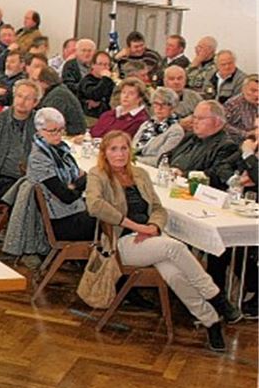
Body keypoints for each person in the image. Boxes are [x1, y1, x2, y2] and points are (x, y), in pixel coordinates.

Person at [84, 131, 241, 351]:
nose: (120, 154)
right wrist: (138, 227)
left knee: (175, 275)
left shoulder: (140, 174)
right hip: (124, 242)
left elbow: (158, 208)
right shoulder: (97, 175)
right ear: (105, 153)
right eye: (113, 149)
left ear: (130, 150)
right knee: (175, 246)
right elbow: (95, 206)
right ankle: (216, 297)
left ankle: (211, 321)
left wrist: (154, 227)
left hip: (152, 237)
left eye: (124, 148)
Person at [28, 108, 93, 241]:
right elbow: (66, 196)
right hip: (59, 220)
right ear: (39, 131)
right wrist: (78, 183)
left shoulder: (61, 150)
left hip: (72, 209)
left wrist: (73, 186)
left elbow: (76, 183)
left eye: (61, 130)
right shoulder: (39, 157)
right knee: (111, 219)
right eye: (52, 131)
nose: (58, 135)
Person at [167, 100, 238, 189]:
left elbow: (215, 176)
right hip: (171, 181)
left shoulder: (226, 146)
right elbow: (169, 154)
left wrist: (184, 174)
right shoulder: (190, 136)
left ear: (217, 122)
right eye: (194, 117)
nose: (195, 122)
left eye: (200, 118)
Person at [132, 87, 185, 166]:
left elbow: (159, 159)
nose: (159, 108)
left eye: (164, 104)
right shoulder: (147, 124)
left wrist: (133, 159)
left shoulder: (175, 131)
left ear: (173, 108)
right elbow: (132, 147)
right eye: (156, 103)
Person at [78, 51, 116, 118]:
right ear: (93, 65)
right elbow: (95, 95)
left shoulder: (109, 81)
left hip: (107, 116)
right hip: (89, 117)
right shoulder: (87, 81)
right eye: (100, 64)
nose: (104, 67)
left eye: (107, 64)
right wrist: (105, 78)